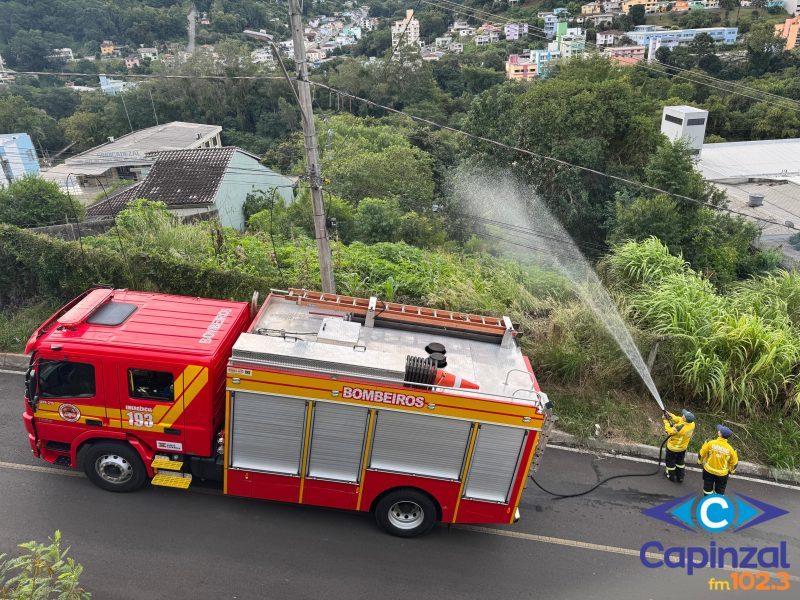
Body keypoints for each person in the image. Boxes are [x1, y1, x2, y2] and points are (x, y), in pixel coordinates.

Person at [698, 425, 738, 496]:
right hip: (722, 474)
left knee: (707, 489)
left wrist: (699, 461)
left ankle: (707, 500)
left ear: (720, 434)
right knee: (719, 491)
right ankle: (716, 503)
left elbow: (702, 453)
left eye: (719, 431)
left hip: (708, 471)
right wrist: (731, 471)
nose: (718, 431)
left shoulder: (710, 443)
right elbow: (734, 463)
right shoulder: (731, 449)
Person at [662, 408, 695, 483]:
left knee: (670, 462)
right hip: (682, 448)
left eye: (683, 415)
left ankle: (671, 476)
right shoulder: (692, 424)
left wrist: (665, 421)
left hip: (673, 448)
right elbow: (678, 419)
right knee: (680, 462)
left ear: (685, 418)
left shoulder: (679, 428)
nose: (682, 415)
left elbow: (669, 431)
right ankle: (680, 477)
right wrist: (669, 414)